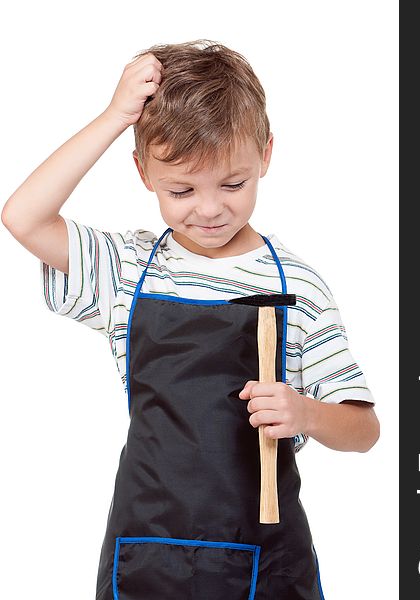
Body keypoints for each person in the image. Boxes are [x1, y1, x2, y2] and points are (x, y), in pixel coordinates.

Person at [2, 39, 379, 600]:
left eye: (233, 183)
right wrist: (116, 117)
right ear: (143, 172)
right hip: (143, 553)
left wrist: (305, 412)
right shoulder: (129, 270)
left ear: (267, 155)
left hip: (263, 565)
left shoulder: (295, 285)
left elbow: (363, 431)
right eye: (181, 189)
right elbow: (24, 217)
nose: (209, 208)